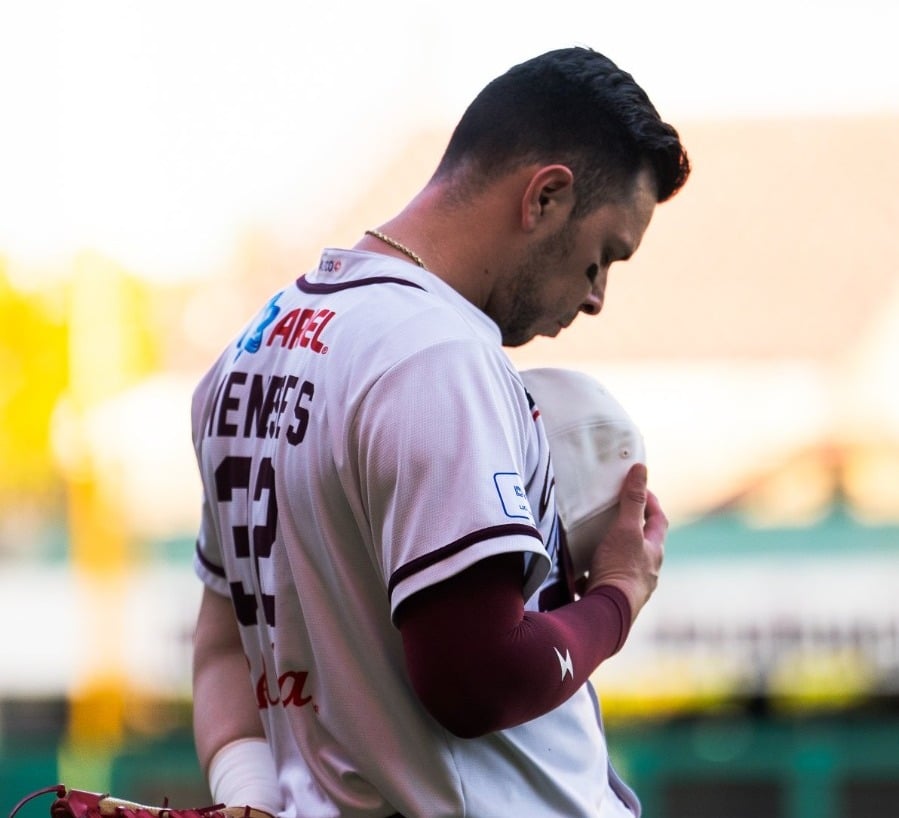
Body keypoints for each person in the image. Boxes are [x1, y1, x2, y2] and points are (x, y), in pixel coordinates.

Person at [190, 46, 689, 818]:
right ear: (546, 196)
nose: (595, 297)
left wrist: (250, 800)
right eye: (602, 258)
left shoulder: (251, 348)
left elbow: (223, 644)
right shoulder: (438, 355)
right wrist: (618, 594)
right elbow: (474, 680)